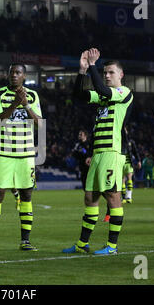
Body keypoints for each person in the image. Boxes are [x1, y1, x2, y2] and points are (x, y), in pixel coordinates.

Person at [62, 48, 133, 255]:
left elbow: (103, 90)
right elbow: (78, 94)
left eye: (111, 72)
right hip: (99, 152)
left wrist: (93, 65)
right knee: (90, 197)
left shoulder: (124, 92)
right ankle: (82, 244)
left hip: (112, 152)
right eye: (105, 73)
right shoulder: (103, 98)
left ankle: (112, 246)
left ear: (121, 75)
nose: (107, 75)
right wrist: (82, 71)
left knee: (112, 196)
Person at [0, 63, 43, 253]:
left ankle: (25, 241)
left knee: (26, 195)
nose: (13, 75)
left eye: (18, 73)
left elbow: (39, 124)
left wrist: (26, 105)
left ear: (24, 76)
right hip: (4, 153)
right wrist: (15, 103)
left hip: (26, 154)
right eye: (11, 72)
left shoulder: (33, 95)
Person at [103, 126, 141, 222]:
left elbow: (135, 151)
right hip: (120, 162)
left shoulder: (130, 141)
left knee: (129, 178)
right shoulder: (118, 140)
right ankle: (124, 196)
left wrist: (138, 160)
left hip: (128, 162)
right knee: (122, 180)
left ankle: (129, 196)